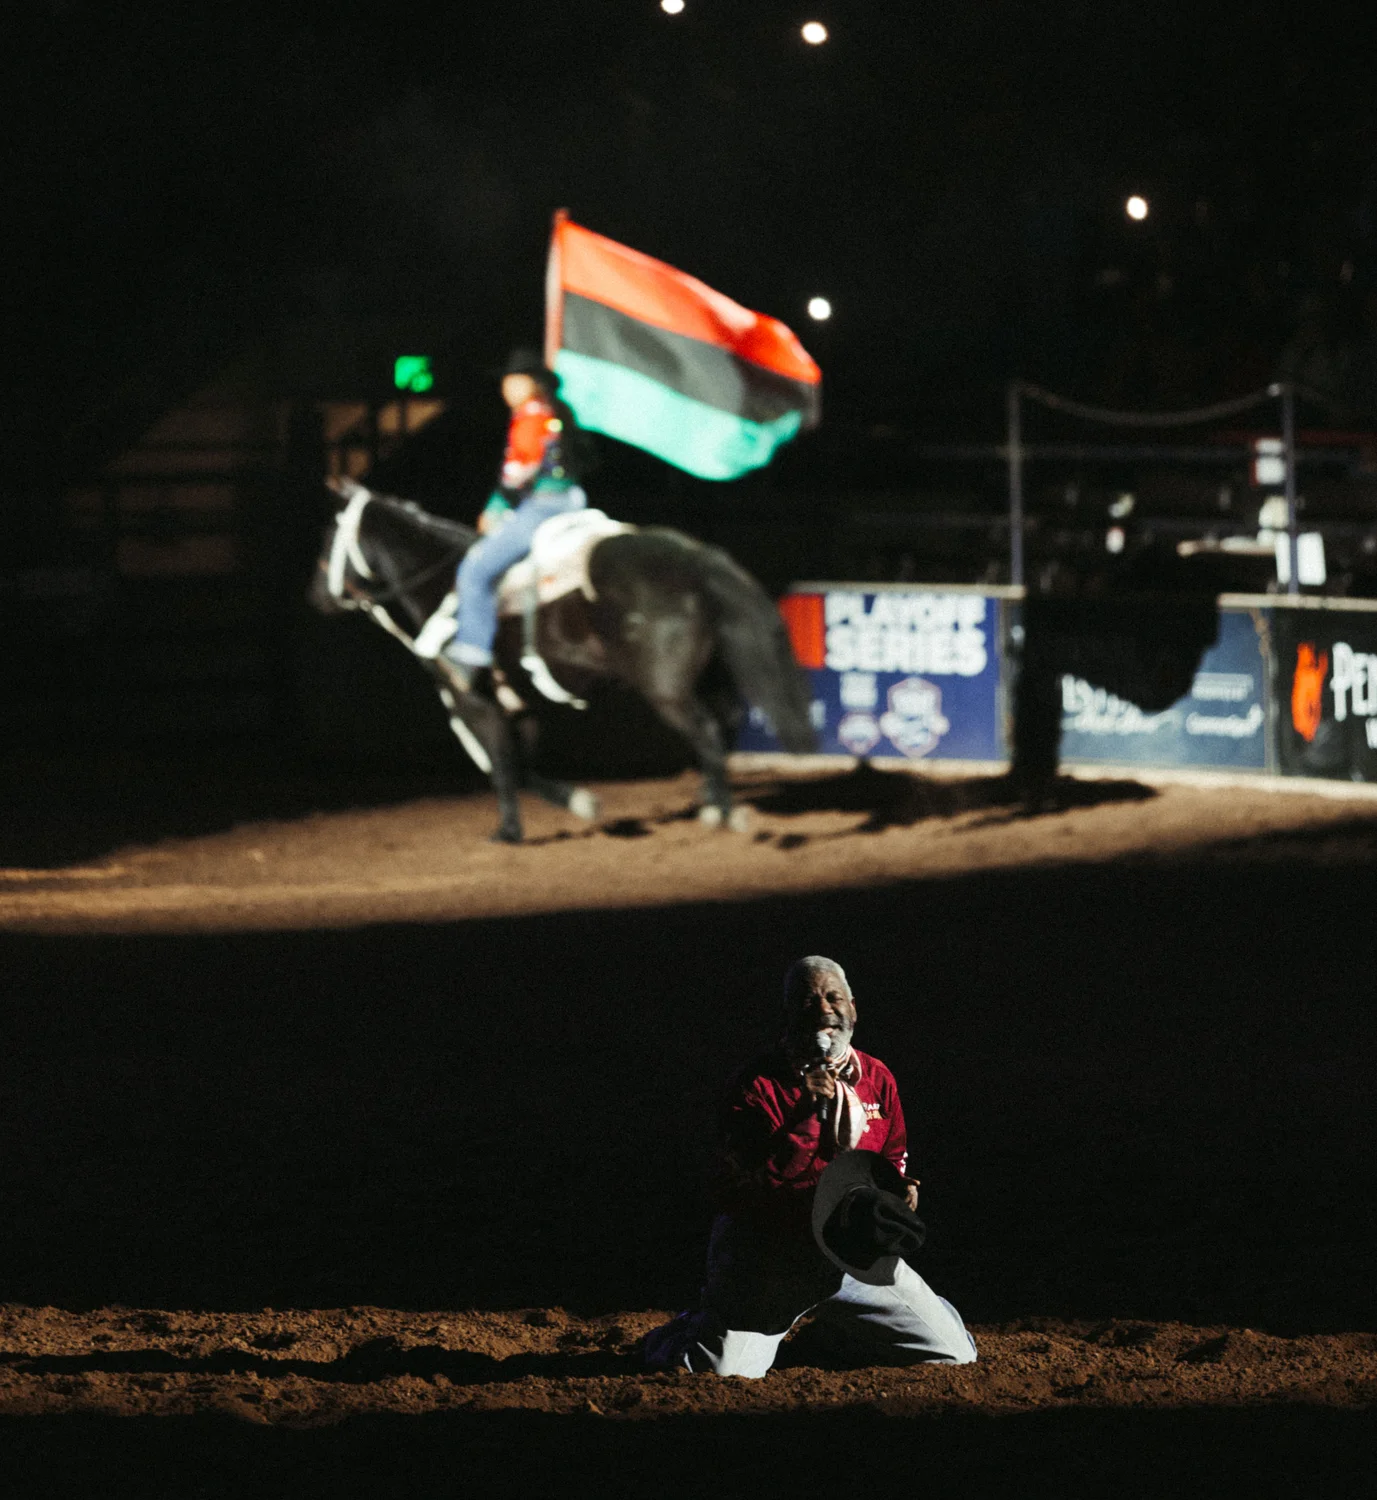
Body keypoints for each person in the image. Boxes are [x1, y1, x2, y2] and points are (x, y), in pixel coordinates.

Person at [643, 956, 976, 1378]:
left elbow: (890, 1157)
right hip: (772, 1258)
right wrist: (804, 1115)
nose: (824, 1010)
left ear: (852, 1008)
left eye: (833, 998)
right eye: (808, 1001)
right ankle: (687, 1332)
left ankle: (841, 1334)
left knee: (953, 1353)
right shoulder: (757, 1086)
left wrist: (899, 1190)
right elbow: (737, 1187)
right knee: (720, 1373)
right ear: (788, 1016)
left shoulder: (876, 1077)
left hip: (851, 1256)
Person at [441, 349, 591, 689]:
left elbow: (517, 474)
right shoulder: (557, 412)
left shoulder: (531, 415)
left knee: (474, 570)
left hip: (545, 504)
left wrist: (494, 510)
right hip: (571, 497)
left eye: (512, 380)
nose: (505, 387)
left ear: (531, 383)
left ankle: (470, 654)